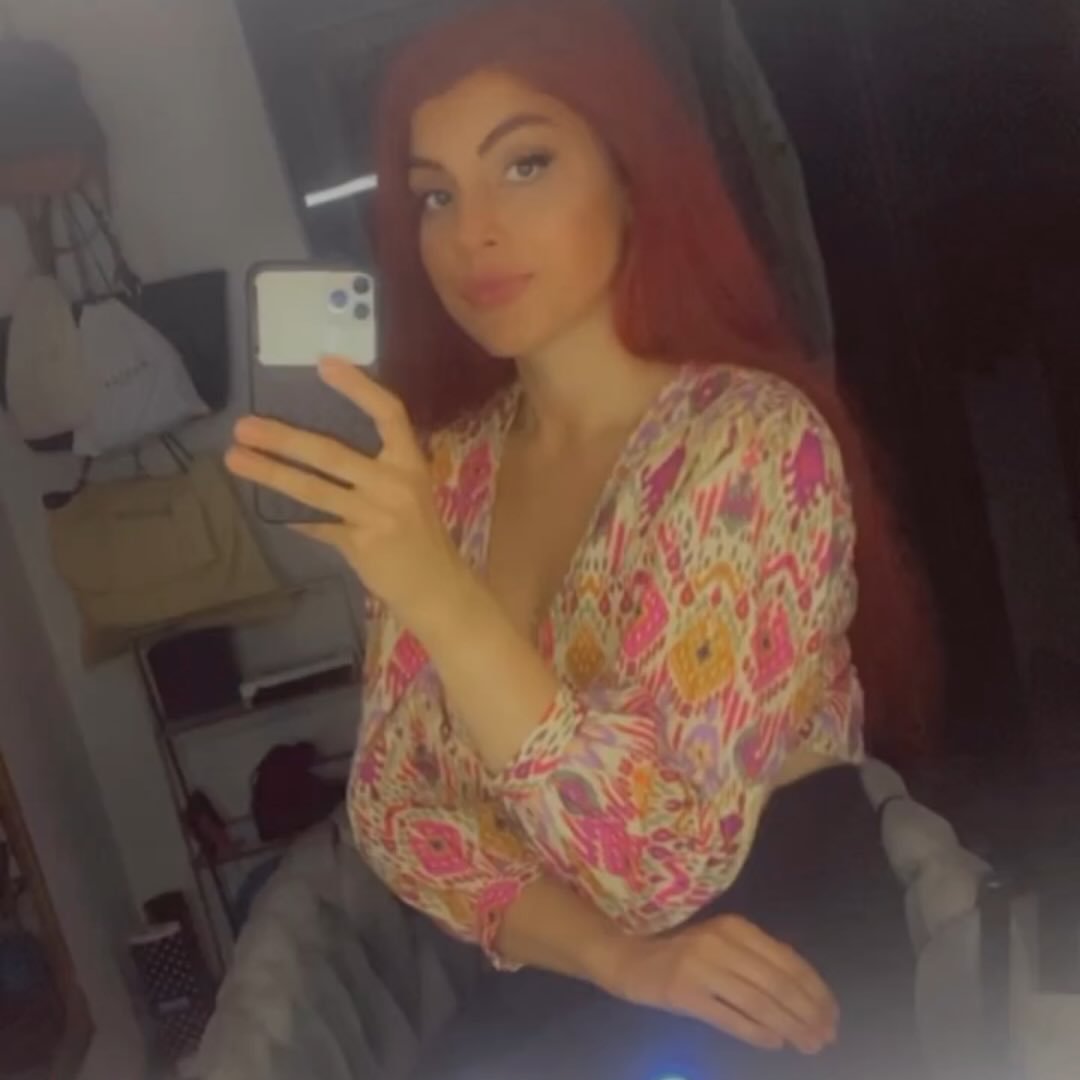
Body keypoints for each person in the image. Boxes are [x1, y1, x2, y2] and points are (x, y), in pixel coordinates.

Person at [225, 1, 939, 1076]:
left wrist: (439, 591)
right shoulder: (443, 475)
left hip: (777, 955)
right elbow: (398, 814)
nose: (472, 232)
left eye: (524, 165)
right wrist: (615, 959)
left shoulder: (749, 441)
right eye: (435, 193)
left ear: (629, 172)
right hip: (574, 971)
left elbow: (663, 864)